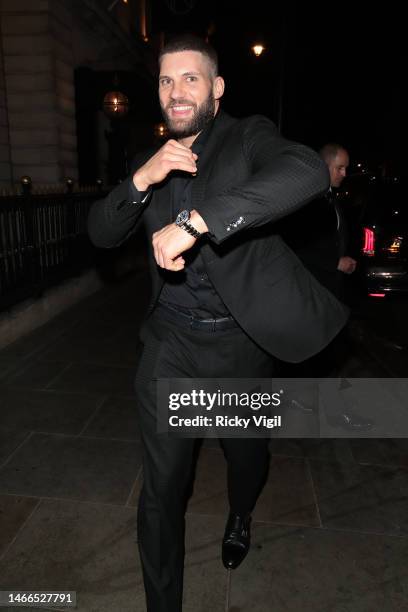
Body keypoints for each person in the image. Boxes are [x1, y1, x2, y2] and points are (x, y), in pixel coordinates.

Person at [87, 35, 348, 612]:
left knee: (246, 457)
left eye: (190, 78)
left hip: (239, 347)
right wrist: (140, 181)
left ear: (216, 88)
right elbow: (101, 233)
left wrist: (200, 220)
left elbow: (304, 170)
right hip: (171, 347)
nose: (176, 92)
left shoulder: (247, 135)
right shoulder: (148, 160)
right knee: (161, 490)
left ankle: (240, 512)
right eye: (164, 80)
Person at [280, 143, 373, 431]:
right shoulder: (309, 200)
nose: (345, 173)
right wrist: (334, 263)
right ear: (324, 167)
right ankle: (335, 413)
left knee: (318, 353)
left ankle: (299, 397)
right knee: (330, 353)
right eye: (340, 167)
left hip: (327, 291)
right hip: (314, 291)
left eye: (346, 167)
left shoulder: (330, 198)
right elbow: (295, 247)